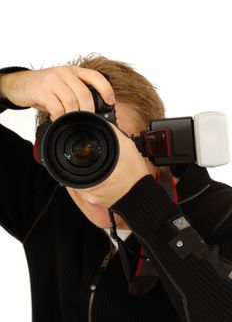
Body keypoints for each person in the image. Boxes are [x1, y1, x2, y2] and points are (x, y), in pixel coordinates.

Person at [0, 54, 232, 322]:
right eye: (79, 151)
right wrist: (11, 85)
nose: (97, 177)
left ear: (160, 146)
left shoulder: (222, 215)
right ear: (49, 154)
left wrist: (140, 200)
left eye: (117, 146)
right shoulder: (48, 198)